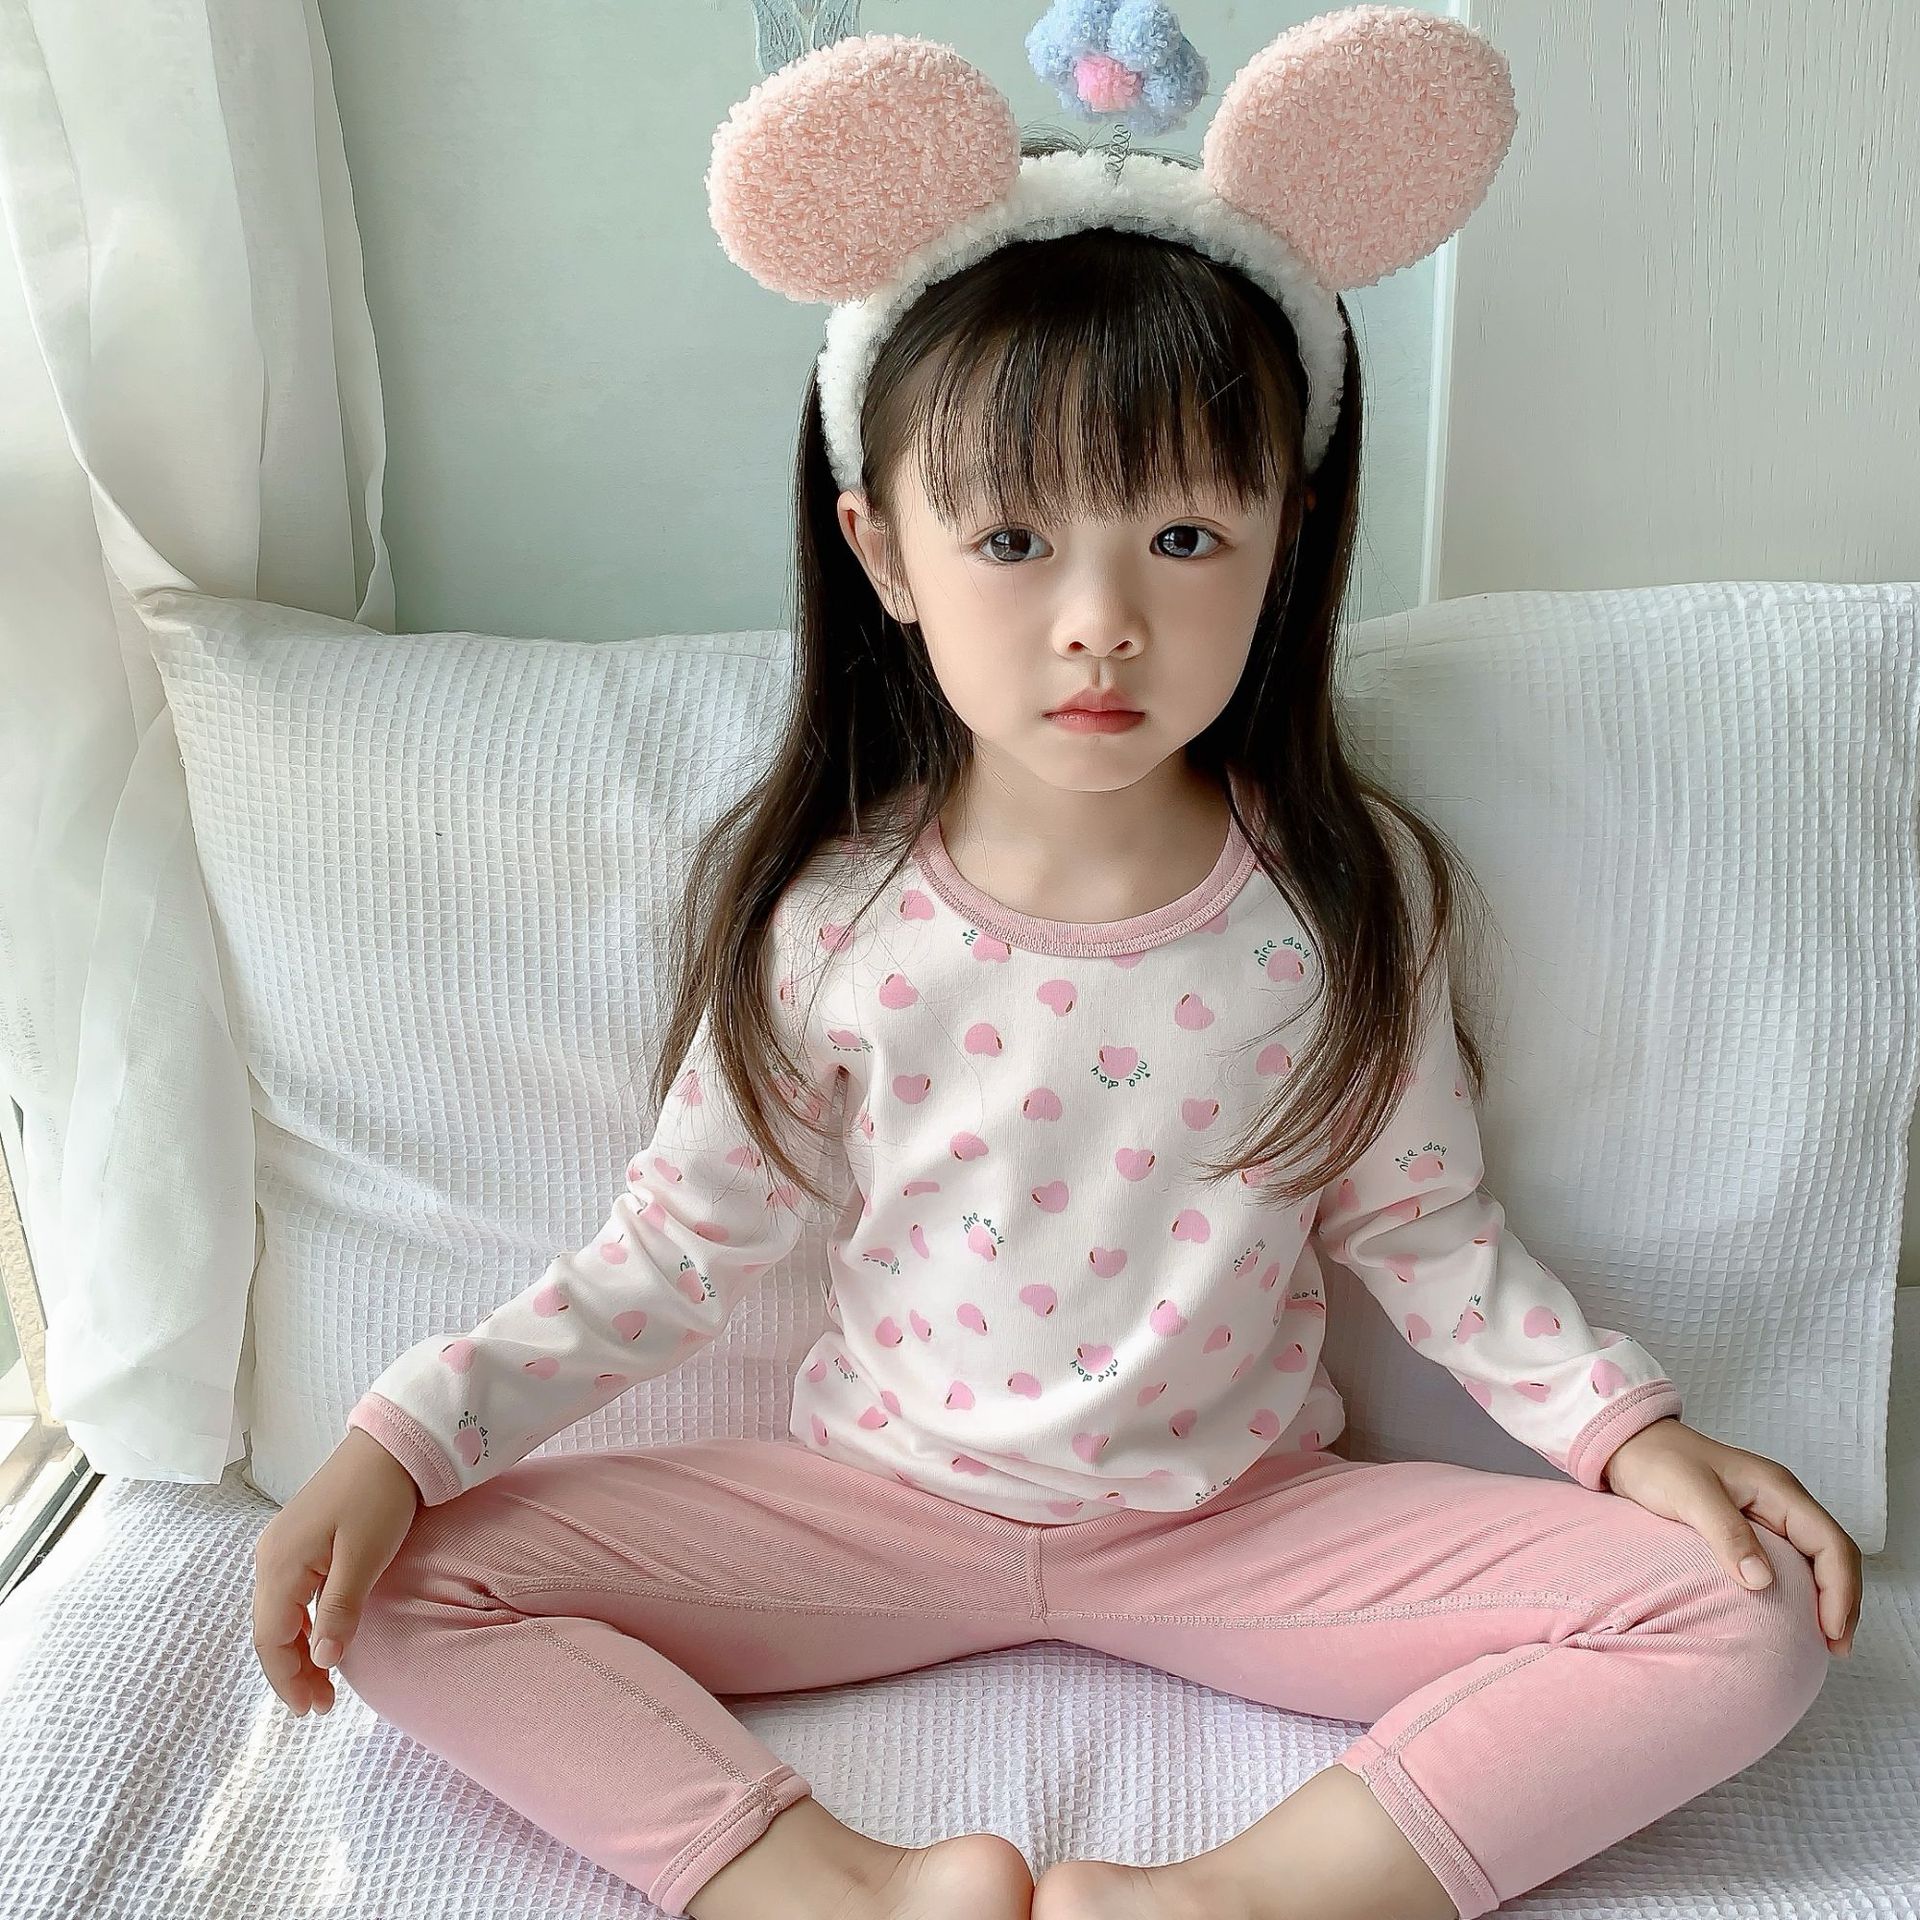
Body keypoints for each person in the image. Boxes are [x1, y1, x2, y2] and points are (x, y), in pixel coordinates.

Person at [252, 15, 1861, 1920]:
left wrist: (1632, 1437)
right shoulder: (831, 924)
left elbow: (1429, 1233)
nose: (1101, 623)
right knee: (393, 1585)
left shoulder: (1343, 909)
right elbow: (669, 1257)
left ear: (1288, 538)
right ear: (884, 552)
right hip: (868, 1518)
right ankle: (835, 1889)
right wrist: (399, 1439)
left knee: (1747, 1615)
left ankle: (1230, 1905)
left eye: (1182, 534)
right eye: (1011, 536)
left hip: (1238, 1531)